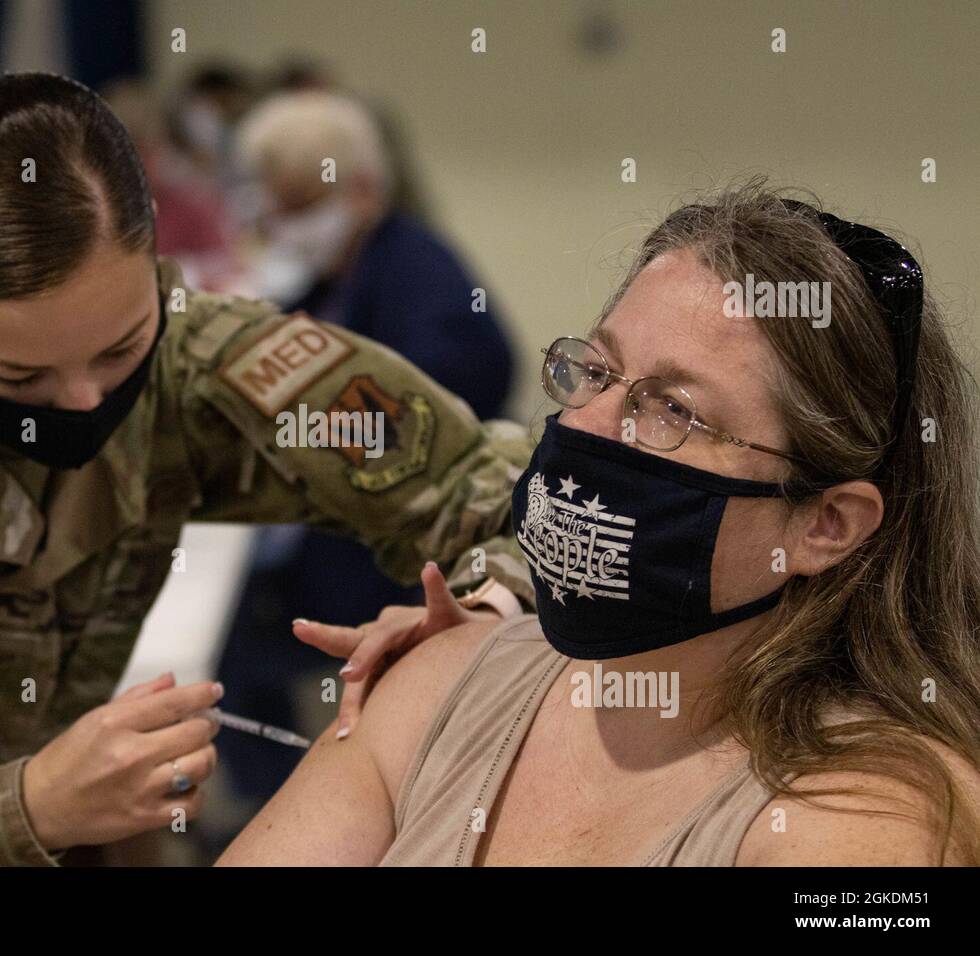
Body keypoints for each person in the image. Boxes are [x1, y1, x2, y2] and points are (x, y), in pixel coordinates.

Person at [0, 72, 533, 866]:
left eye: (120, 348)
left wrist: (481, 606)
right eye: (20, 379)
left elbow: (527, 497)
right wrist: (28, 810)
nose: (87, 403)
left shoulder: (198, 361)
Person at [220, 181, 980, 866]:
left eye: (673, 410)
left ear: (827, 524)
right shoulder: (444, 685)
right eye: (596, 371)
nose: (586, 426)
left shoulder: (871, 820)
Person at [207, 89, 518, 825]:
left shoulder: (418, 268)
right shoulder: (332, 275)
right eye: (275, 207)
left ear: (365, 189)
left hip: (389, 546)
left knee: (235, 663)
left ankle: (294, 817)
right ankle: (285, 811)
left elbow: (470, 375)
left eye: (302, 204)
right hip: (327, 535)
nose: (286, 226)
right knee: (228, 658)